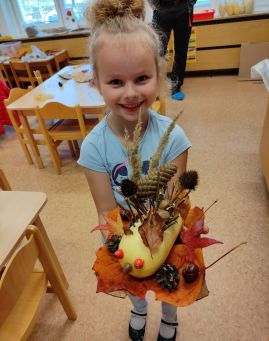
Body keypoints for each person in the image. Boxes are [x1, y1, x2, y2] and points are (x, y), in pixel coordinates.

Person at [78, 1, 191, 340]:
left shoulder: (175, 138)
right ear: (97, 82)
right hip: (124, 235)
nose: (130, 93)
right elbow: (105, 209)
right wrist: (127, 249)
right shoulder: (94, 147)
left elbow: (173, 202)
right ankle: (139, 307)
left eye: (141, 78)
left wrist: (157, 243)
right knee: (137, 282)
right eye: (115, 81)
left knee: (168, 279)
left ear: (158, 74)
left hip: (165, 226)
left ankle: (169, 315)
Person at [148, 0, 196, 101]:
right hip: (161, 8)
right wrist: (152, 4)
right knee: (158, 50)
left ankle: (176, 87)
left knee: (181, 50)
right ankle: (155, 87)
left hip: (184, 8)